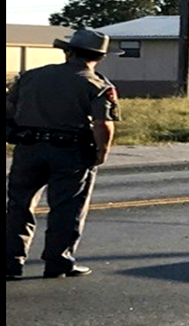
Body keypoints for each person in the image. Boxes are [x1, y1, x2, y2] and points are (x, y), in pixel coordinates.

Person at [6, 29, 122, 279]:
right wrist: (101, 152)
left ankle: (11, 261)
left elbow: (9, 107)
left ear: (67, 51)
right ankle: (58, 261)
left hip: (28, 148)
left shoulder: (31, 76)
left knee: (19, 205)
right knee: (66, 208)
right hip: (70, 151)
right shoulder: (96, 84)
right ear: (100, 57)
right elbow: (103, 123)